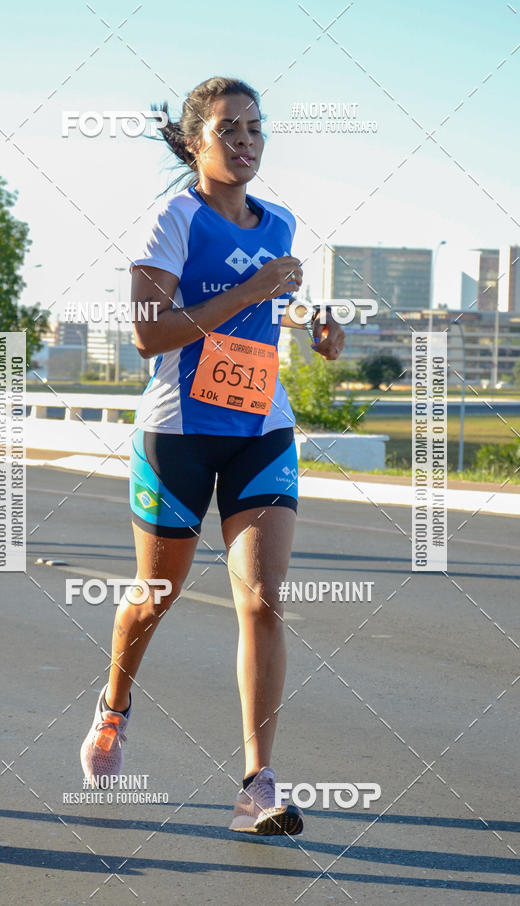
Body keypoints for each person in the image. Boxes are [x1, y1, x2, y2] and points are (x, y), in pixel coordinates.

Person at [80, 77, 345, 835]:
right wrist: (253, 287)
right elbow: (148, 334)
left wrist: (321, 333)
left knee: (262, 600)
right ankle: (115, 705)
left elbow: (279, 307)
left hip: (263, 427)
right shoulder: (175, 218)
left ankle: (257, 784)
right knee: (154, 597)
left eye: (257, 128)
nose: (247, 141)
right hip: (179, 431)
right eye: (229, 128)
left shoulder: (281, 220)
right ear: (196, 140)